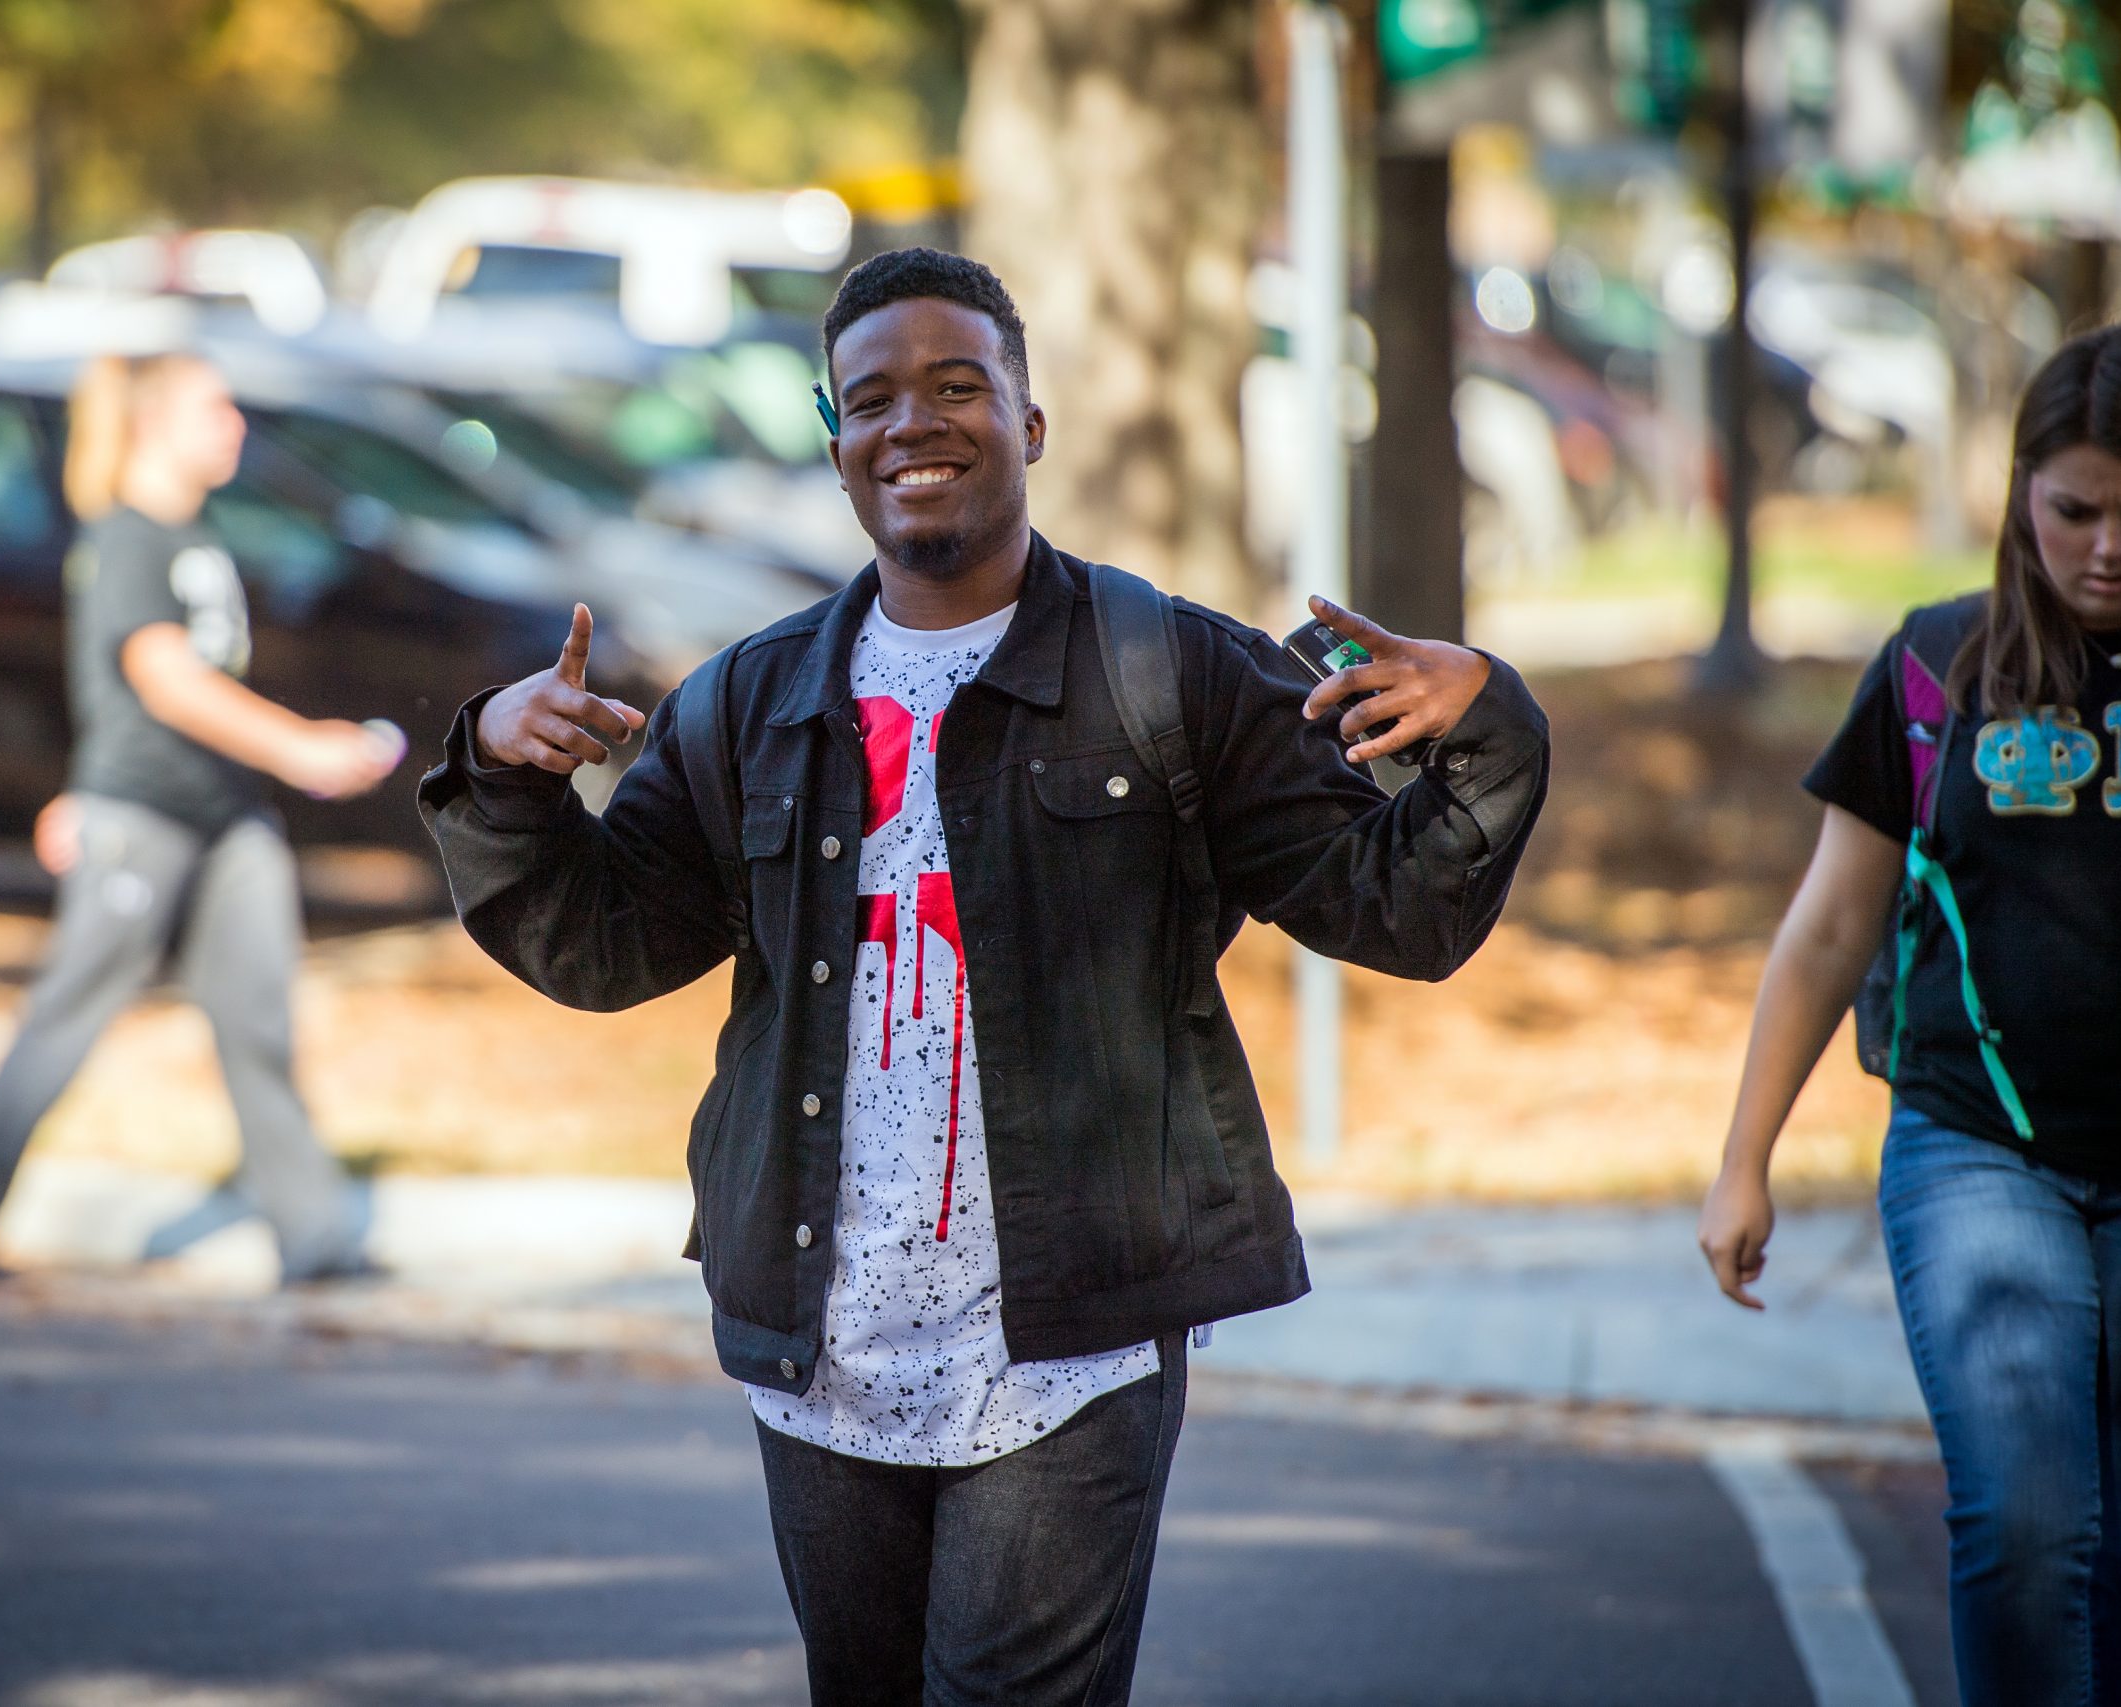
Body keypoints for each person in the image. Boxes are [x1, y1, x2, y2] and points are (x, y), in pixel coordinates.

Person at [418, 248, 1551, 1704]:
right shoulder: (753, 700)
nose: (914, 423)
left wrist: (1486, 726)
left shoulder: (1171, 670)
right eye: (870, 398)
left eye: (959, 385)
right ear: (835, 445)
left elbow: (1402, 911)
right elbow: (604, 942)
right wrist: (499, 773)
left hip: (1064, 1343)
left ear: (1028, 422)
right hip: (817, 1337)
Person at [1701, 324, 2121, 1706]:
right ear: (2021, 493)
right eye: (2076, 508)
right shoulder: (1934, 666)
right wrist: (1744, 1153)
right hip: (1978, 1150)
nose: (2110, 546)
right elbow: (1834, 920)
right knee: (2027, 1528)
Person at [0, 351, 399, 1285]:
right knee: (69, 1014)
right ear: (151, 423)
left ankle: (316, 1239)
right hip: (145, 816)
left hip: (229, 820)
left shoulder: (194, 532)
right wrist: (298, 748)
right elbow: (162, 681)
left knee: (258, 1024)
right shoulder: (128, 536)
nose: (236, 426)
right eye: (213, 408)